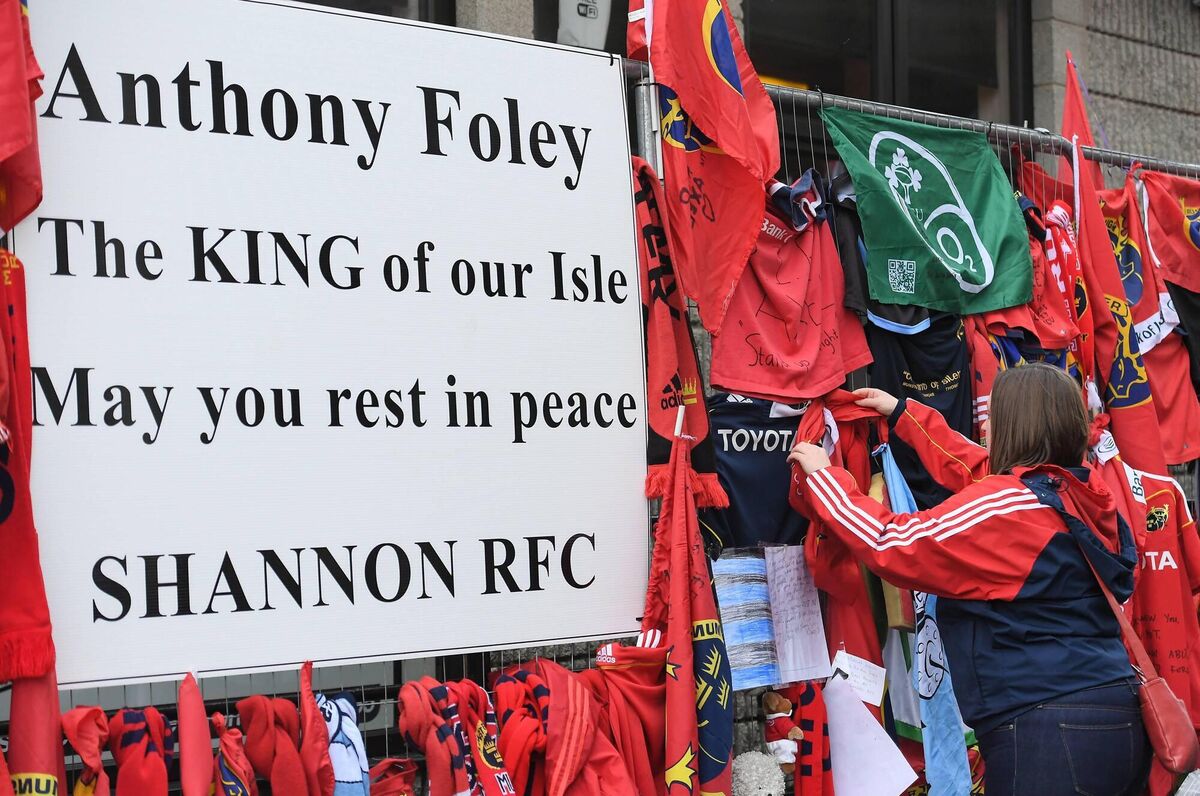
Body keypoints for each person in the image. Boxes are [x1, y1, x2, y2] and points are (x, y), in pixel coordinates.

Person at [788, 363, 1151, 796]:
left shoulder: (1007, 510)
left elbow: (892, 541)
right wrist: (905, 415)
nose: (986, 428)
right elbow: (986, 474)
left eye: (993, 418)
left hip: (1046, 729)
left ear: (1015, 426)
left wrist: (826, 479)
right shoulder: (1085, 495)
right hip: (1122, 717)